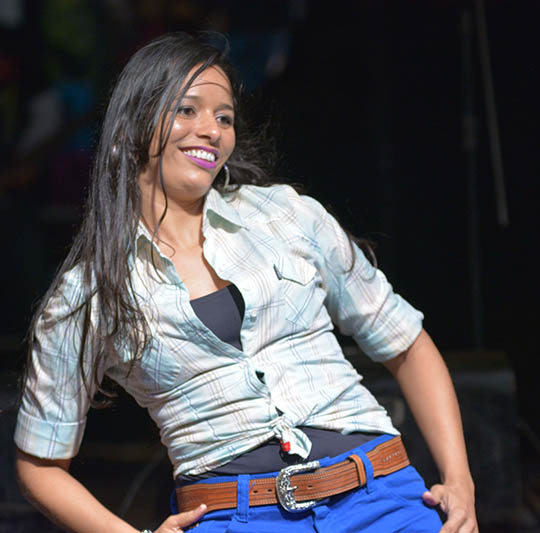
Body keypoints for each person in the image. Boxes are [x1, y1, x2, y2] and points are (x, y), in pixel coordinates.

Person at [14, 33, 477, 532]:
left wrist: (460, 480)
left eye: (224, 118)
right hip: (235, 516)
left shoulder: (285, 215)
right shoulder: (89, 292)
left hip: (379, 495)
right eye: (187, 110)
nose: (211, 130)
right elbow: (40, 465)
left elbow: (406, 341)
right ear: (134, 123)